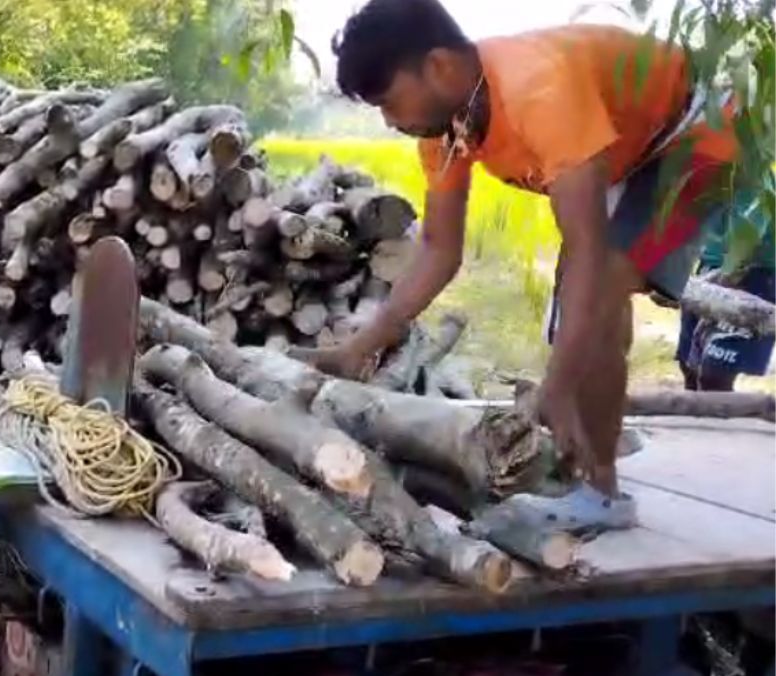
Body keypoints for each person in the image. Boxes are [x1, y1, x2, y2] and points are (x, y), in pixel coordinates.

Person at [297, 0, 739, 533]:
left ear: (439, 66)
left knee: (595, 299)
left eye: (390, 102)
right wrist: (356, 350)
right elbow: (440, 250)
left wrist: (557, 384)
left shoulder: (539, 89)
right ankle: (599, 464)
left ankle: (600, 491)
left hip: (698, 133)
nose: (390, 122)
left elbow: (587, 251)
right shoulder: (446, 130)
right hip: (632, 144)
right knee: (582, 321)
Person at [676, 196, 775, 391]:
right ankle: (695, 421)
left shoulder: (755, 173)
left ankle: (716, 419)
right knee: (689, 368)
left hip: (750, 273)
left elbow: (749, 237)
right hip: (708, 267)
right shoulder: (709, 174)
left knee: (715, 373)